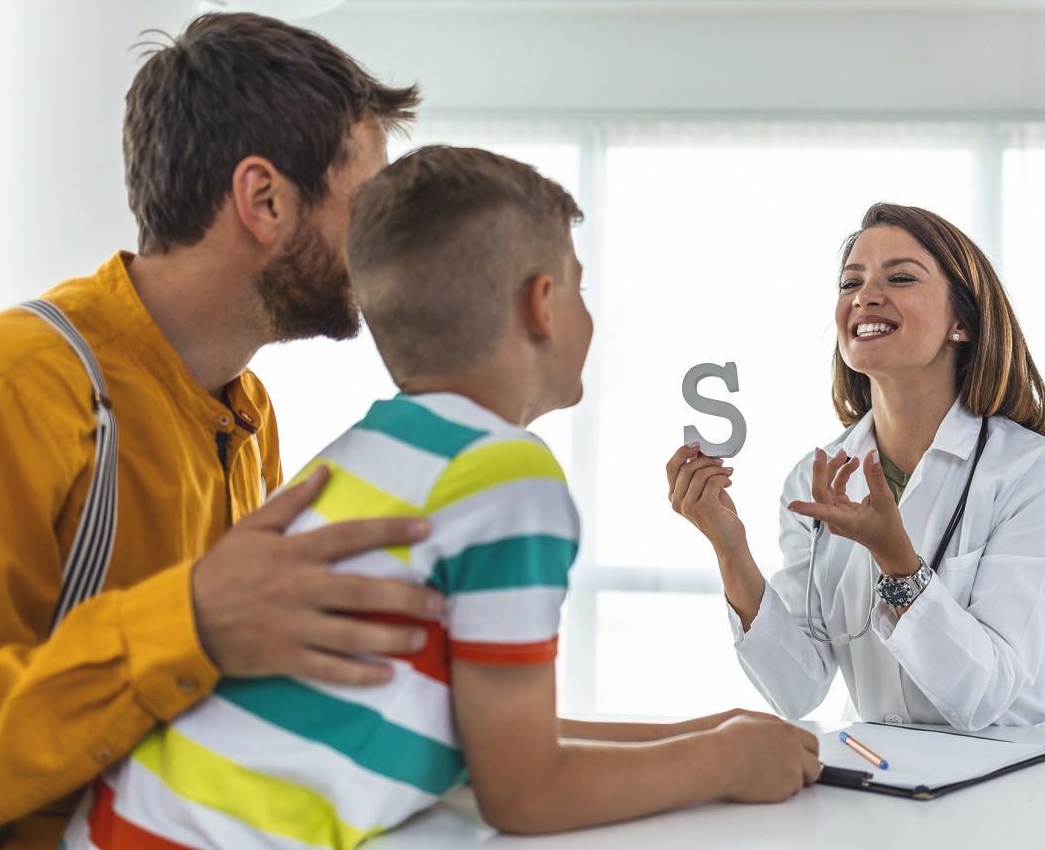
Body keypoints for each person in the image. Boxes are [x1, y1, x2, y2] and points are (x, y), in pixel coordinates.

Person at [61, 145, 822, 848]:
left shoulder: (371, 451)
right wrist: (721, 763)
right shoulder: (508, 475)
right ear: (543, 304)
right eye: (581, 288)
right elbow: (523, 791)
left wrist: (707, 729)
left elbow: (490, 732)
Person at [0, 14, 448, 850]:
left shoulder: (248, 410)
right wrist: (194, 618)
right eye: (373, 204)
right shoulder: (22, 383)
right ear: (265, 200)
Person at [667, 203, 1045, 731]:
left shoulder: (1036, 474)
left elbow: (985, 696)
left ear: (961, 321)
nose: (865, 296)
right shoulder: (813, 478)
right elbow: (797, 690)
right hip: (884, 771)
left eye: (899, 277)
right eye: (851, 282)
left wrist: (897, 563)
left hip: (1018, 774)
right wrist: (729, 547)